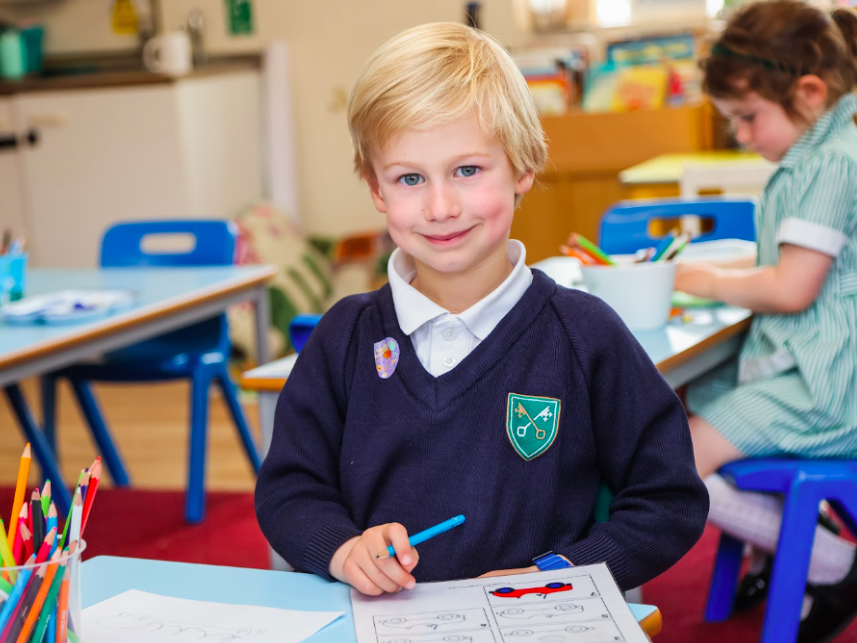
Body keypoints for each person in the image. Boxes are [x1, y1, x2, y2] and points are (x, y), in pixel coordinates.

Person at [254, 22, 708, 597]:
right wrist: (344, 552)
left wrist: (560, 575)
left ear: (523, 168)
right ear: (376, 189)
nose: (441, 206)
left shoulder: (585, 335)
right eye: (410, 178)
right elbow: (290, 489)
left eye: (467, 170)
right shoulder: (343, 338)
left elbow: (669, 499)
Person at [674, 2, 857, 641]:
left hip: (834, 388)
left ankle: (837, 564)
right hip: (812, 367)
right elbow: (790, 259)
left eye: (748, 117)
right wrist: (729, 266)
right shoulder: (817, 157)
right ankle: (802, 549)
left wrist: (702, 279)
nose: (741, 135)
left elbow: (791, 287)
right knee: (684, 408)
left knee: (668, 461)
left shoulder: (833, 165)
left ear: (809, 94)